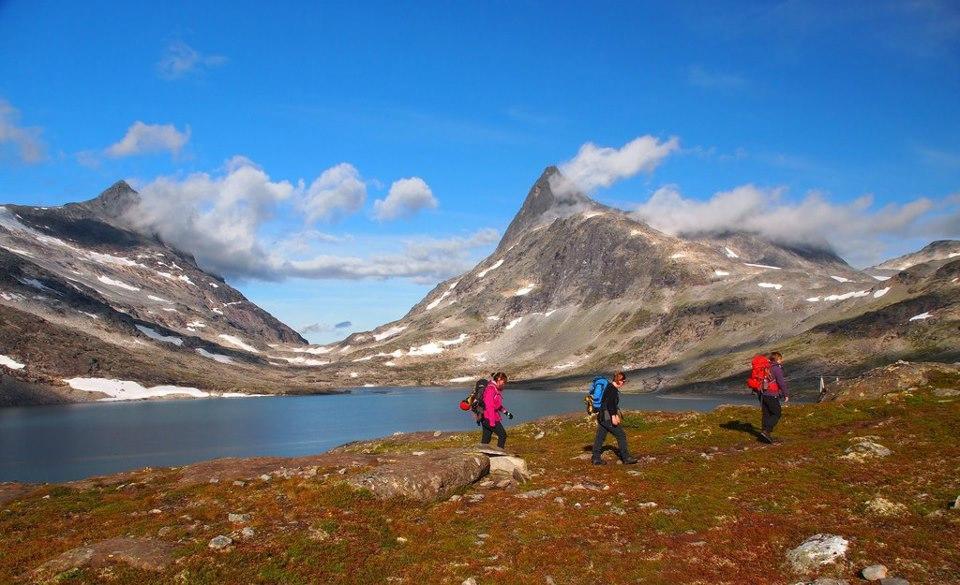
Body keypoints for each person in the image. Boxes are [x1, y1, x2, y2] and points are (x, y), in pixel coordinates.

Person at [591, 371, 638, 465]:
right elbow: (610, 405)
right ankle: (626, 458)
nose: (623, 383)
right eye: (623, 381)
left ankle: (596, 458)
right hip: (607, 416)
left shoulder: (609, 387)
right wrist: (613, 417)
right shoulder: (612, 389)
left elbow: (609, 404)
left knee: (600, 437)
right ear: (619, 380)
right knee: (621, 435)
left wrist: (615, 415)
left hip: (602, 415)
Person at [760, 351, 790, 443]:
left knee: (766, 414)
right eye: (780, 359)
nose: (781, 361)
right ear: (777, 359)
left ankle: (764, 434)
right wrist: (786, 394)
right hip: (772, 394)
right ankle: (766, 431)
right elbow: (781, 383)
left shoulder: (766, 367)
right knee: (777, 413)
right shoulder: (776, 369)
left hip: (763, 394)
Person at [480, 372, 512, 448]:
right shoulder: (491, 389)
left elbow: (497, 405)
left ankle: (482, 453)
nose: (504, 384)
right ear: (499, 379)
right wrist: (492, 422)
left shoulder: (495, 389)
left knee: (486, 437)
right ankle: (499, 452)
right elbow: (489, 406)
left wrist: (507, 413)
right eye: (503, 382)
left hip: (485, 417)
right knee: (502, 435)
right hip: (489, 418)